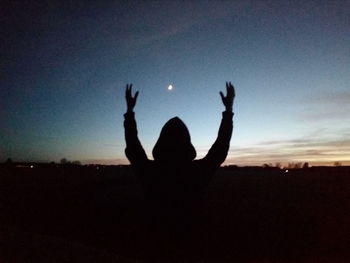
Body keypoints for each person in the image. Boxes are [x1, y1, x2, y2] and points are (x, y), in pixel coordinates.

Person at [123, 82, 235, 212]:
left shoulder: (149, 171)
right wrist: (228, 110)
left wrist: (130, 111)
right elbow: (220, 147)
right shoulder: (197, 172)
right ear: (187, 142)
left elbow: (133, 146)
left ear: (161, 143)